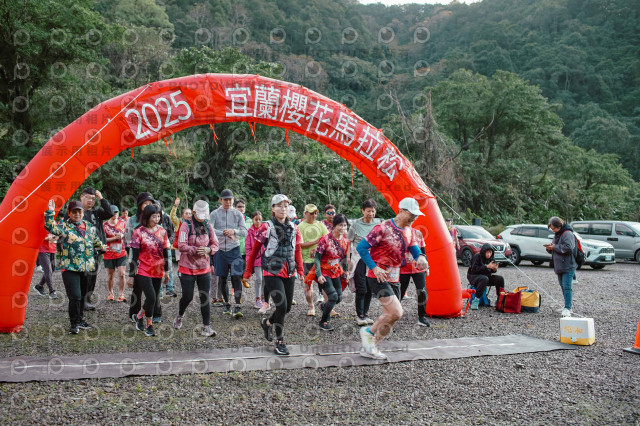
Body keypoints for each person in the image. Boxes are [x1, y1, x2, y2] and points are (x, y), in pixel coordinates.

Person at [356, 197, 428, 360]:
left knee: (392, 315)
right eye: (412, 214)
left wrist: (420, 257)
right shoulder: (382, 228)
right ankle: (367, 333)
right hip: (378, 276)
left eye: (416, 215)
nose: (414, 218)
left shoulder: (409, 230)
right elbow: (361, 248)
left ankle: (370, 346)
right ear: (401, 211)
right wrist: (374, 267)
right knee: (396, 311)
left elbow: (413, 247)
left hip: (395, 276)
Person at [243, 194, 304, 356]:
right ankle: (280, 341)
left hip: (289, 270)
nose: (283, 209)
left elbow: (297, 250)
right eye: (279, 205)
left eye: (286, 205)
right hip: (271, 271)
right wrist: (248, 271)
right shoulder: (266, 227)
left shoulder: (294, 227)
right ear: (273, 208)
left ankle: (268, 322)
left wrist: (300, 269)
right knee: (281, 306)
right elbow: (255, 250)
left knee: (287, 308)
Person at [44, 199, 106, 334]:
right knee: (75, 296)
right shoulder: (64, 226)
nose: (77, 214)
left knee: (83, 295)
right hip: (70, 267)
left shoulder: (89, 226)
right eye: (74, 212)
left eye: (79, 211)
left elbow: (95, 241)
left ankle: (80, 320)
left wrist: (102, 247)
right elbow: (50, 227)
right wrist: (50, 212)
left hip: (87, 267)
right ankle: (74, 324)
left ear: (83, 213)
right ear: (69, 213)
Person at [174, 200, 219, 337]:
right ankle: (180, 315)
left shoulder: (208, 226)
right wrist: (196, 249)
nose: (202, 218)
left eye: (204, 215)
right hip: (187, 267)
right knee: (187, 296)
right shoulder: (185, 225)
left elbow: (215, 244)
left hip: (204, 267)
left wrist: (209, 249)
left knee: (205, 297)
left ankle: (207, 327)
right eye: (200, 215)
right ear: (193, 213)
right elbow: (181, 245)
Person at [128, 204, 169, 337]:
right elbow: (134, 255)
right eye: (154, 216)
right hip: (143, 269)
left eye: (158, 216)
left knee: (154, 298)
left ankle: (139, 315)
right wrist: (131, 275)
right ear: (147, 217)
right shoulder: (138, 232)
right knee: (151, 297)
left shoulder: (162, 231)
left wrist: (167, 271)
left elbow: (165, 252)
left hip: (158, 269)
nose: (157, 219)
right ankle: (149, 325)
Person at [67, 187, 112, 310]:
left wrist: (101, 198)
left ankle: (87, 299)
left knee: (92, 276)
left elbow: (109, 213)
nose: (91, 201)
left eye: (93, 199)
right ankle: (79, 301)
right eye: (88, 198)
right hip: (81, 251)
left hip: (96, 250)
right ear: (82, 197)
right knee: (83, 276)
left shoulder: (96, 212)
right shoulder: (76, 212)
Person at [210, 189, 248, 318]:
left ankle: (238, 305)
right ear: (220, 200)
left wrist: (233, 231)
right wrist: (224, 232)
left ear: (233, 200)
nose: (228, 202)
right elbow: (210, 230)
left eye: (230, 199)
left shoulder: (238, 214)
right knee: (222, 278)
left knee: (236, 276)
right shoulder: (214, 214)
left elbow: (245, 232)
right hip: (220, 250)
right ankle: (226, 304)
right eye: (225, 199)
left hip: (234, 249)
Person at [125, 192, 160, 323]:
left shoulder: (156, 218)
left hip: (154, 259)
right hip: (137, 257)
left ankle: (155, 313)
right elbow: (128, 239)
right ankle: (134, 313)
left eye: (150, 203)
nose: (148, 206)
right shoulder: (132, 220)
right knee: (137, 287)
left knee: (155, 287)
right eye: (145, 203)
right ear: (140, 205)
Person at [312, 214, 349, 331]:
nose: (342, 228)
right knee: (332, 297)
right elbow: (317, 258)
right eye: (340, 225)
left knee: (338, 298)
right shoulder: (325, 239)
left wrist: (346, 271)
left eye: (345, 225)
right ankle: (323, 321)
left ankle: (324, 306)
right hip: (324, 271)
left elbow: (344, 258)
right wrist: (319, 275)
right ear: (334, 225)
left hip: (335, 271)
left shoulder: (345, 240)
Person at [348, 199, 380, 326]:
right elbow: (348, 242)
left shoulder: (378, 224)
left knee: (370, 287)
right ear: (363, 211)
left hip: (372, 259)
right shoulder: (355, 225)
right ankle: (359, 315)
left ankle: (366, 313)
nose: (371, 214)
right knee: (361, 288)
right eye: (368, 211)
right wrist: (348, 260)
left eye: (373, 211)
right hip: (358, 258)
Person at [298, 203, 329, 316]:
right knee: (308, 284)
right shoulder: (300, 226)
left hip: (320, 260)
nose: (314, 216)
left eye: (316, 213)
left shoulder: (320, 225)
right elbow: (299, 244)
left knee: (325, 283)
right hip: (306, 260)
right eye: (311, 213)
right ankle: (311, 306)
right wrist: (315, 242)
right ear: (305, 214)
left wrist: (319, 247)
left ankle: (328, 306)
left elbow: (327, 238)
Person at [546, 216, 577, 317]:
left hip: (568, 265)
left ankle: (568, 308)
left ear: (559, 226)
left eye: (554, 228)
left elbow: (569, 248)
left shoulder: (567, 233)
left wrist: (555, 247)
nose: (553, 230)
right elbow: (556, 247)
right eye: (552, 229)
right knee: (563, 286)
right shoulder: (557, 234)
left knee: (567, 287)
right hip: (559, 265)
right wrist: (550, 248)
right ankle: (567, 306)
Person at [399, 228, 430, 326]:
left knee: (422, 291)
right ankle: (393, 313)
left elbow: (423, 250)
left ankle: (422, 317)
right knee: (400, 291)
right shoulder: (398, 233)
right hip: (403, 268)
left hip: (418, 268)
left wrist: (427, 267)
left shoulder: (418, 233)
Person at [467, 243, 505, 310]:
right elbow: (474, 269)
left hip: (485, 277)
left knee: (500, 279)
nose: (489, 254)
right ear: (483, 252)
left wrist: (494, 269)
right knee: (484, 278)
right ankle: (476, 301)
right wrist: (486, 266)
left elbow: (490, 271)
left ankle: (500, 299)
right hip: (473, 277)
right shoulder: (477, 256)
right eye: (487, 252)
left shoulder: (491, 259)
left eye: (490, 252)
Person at [245, 211, 268, 312]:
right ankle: (257, 299)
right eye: (256, 219)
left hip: (266, 258)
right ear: (252, 220)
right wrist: (249, 260)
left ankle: (264, 298)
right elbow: (248, 247)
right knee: (259, 278)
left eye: (259, 219)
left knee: (265, 279)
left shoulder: (266, 230)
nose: (258, 221)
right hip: (256, 259)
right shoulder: (250, 232)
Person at [103, 205, 127, 302]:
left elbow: (128, 234)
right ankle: (110, 292)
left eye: (116, 212)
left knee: (122, 273)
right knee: (110, 275)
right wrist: (115, 238)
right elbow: (103, 239)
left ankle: (121, 294)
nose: (115, 214)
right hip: (109, 253)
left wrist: (122, 235)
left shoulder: (123, 223)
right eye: (113, 212)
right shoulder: (104, 225)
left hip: (121, 252)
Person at [34, 231, 59, 299]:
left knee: (53, 269)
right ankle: (52, 291)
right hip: (43, 249)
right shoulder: (41, 225)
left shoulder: (54, 224)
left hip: (52, 248)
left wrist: (57, 236)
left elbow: (58, 233)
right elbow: (35, 236)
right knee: (48, 270)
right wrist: (47, 238)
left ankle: (39, 286)